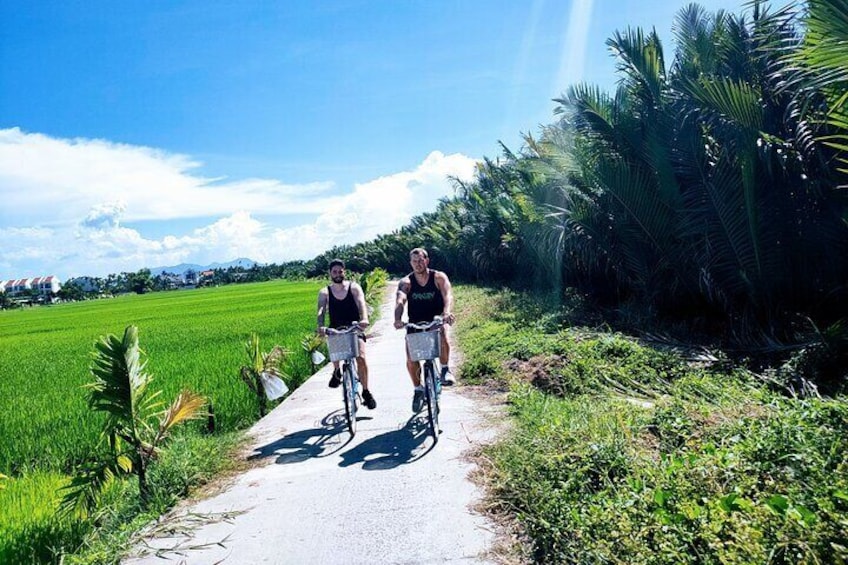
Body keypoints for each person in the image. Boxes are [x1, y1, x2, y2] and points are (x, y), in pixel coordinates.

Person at [393, 247, 456, 413]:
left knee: (442, 333)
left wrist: (447, 313)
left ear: (427, 261)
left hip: (435, 320)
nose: (418, 264)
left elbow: (447, 295)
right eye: (414, 261)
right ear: (410, 263)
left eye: (421, 260)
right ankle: (418, 389)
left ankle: (444, 369)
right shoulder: (406, 282)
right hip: (415, 323)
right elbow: (400, 299)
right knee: (411, 358)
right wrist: (398, 319)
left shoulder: (438, 277)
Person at [316, 259, 376, 410]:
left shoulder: (354, 287)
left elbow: (361, 302)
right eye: (334, 272)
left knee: (361, 358)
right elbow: (321, 310)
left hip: (354, 327)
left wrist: (364, 318)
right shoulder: (325, 292)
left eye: (340, 271)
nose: (338, 274)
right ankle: (336, 371)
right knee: (335, 354)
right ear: (330, 273)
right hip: (336, 328)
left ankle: (366, 391)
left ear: (344, 271)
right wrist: (320, 325)